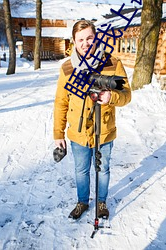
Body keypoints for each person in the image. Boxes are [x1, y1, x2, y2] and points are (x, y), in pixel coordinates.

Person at [53, 20, 131, 220]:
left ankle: (102, 202)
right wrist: (58, 134)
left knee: (103, 168)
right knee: (81, 170)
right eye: (81, 39)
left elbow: (127, 95)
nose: (85, 43)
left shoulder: (113, 63)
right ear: (74, 41)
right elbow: (61, 102)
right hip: (78, 133)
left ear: (95, 38)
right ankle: (82, 202)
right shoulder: (67, 68)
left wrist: (111, 97)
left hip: (104, 129)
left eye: (89, 38)